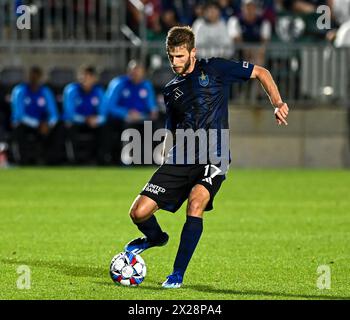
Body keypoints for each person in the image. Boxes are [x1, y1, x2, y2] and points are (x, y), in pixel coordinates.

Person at [123, 26, 289, 288]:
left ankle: (176, 274)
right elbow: (174, 129)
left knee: (196, 202)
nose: (175, 63)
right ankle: (155, 238)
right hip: (183, 155)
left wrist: (277, 103)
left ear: (193, 52)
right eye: (171, 57)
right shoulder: (170, 90)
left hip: (215, 155)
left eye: (180, 56)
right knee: (138, 212)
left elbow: (261, 72)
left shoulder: (215, 69)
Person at [102, 60, 158, 165]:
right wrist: (127, 113)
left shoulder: (146, 85)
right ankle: (126, 160)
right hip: (121, 119)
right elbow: (110, 106)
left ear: (143, 72)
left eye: (138, 70)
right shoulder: (118, 84)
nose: (135, 73)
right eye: (133, 70)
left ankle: (151, 160)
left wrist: (153, 111)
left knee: (156, 126)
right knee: (129, 126)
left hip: (141, 118)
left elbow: (151, 105)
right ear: (128, 71)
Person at [10, 66, 63, 165]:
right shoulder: (20, 91)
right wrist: (37, 124)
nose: (34, 80)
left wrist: (48, 124)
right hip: (26, 124)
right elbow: (19, 115)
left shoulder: (45, 91)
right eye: (32, 77)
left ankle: (51, 160)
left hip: (43, 124)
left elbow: (54, 114)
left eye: (37, 77)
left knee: (59, 127)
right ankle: (22, 161)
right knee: (19, 128)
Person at [63, 65, 106, 164]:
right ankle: (74, 160)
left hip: (92, 123)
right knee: (69, 127)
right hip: (77, 122)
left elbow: (103, 114)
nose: (86, 79)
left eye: (89, 77)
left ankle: (101, 159)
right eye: (84, 76)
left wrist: (97, 120)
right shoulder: (71, 90)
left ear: (94, 79)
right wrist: (85, 119)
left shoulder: (98, 91)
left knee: (105, 128)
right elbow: (69, 113)